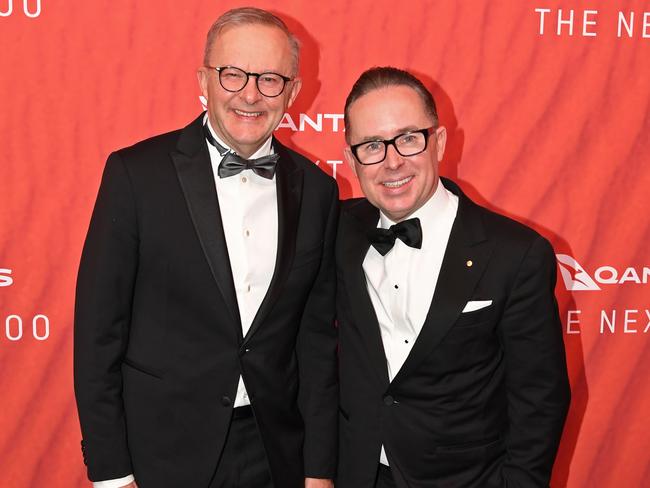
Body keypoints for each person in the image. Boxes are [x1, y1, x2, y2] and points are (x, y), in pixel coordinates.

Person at [74, 8, 338, 488]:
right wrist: (112, 474)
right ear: (204, 78)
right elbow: (98, 333)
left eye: (271, 79)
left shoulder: (318, 191)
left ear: (295, 92)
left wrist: (318, 469)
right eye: (233, 74)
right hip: (160, 455)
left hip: (274, 454)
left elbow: (316, 342)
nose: (251, 94)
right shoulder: (136, 175)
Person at [336, 67, 570, 488]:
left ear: (439, 142)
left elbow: (540, 401)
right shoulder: (336, 232)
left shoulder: (515, 254)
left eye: (408, 139)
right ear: (352, 158)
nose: (392, 162)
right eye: (372, 145)